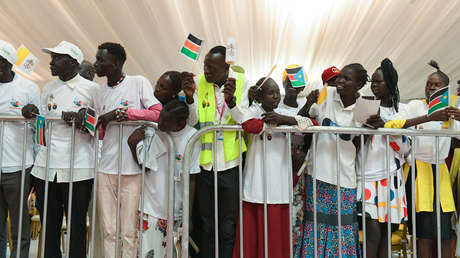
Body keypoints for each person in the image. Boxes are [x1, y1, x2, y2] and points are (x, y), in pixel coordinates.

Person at [21, 41, 99, 257]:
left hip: (78, 168)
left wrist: (82, 119)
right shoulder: (48, 88)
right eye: (52, 57)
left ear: (73, 62)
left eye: (57, 58)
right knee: (49, 227)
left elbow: (100, 127)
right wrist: (32, 114)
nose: (52, 62)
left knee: (76, 228)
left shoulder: (92, 89)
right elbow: (41, 126)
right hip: (46, 168)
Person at [230, 77, 314, 258]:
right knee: (252, 235)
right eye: (271, 92)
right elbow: (243, 120)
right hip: (256, 180)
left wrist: (283, 119)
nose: (276, 96)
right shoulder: (253, 110)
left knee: (276, 236)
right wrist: (268, 123)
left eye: (277, 92)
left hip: (278, 183)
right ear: (260, 95)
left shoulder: (282, 111)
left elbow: (309, 123)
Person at [93, 42, 162, 258]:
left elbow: (158, 112)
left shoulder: (138, 82)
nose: (96, 64)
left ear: (115, 63)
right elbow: (101, 133)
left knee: (128, 232)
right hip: (106, 167)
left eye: (100, 60)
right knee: (109, 230)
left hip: (131, 169)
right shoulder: (99, 92)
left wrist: (124, 113)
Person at [385, 60, 460, 258]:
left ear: (446, 89)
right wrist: (429, 118)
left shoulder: (451, 111)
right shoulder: (416, 105)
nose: (431, 88)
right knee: (424, 235)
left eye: (436, 85)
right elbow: (392, 125)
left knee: (445, 233)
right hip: (418, 172)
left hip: (441, 174)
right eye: (429, 84)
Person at [182, 45, 249, 258]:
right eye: (205, 65)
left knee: (228, 226)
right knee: (207, 224)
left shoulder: (242, 82)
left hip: (230, 163)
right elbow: (194, 122)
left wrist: (231, 102)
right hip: (205, 163)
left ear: (226, 67)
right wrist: (190, 99)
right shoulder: (201, 82)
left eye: (212, 67)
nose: (207, 71)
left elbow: (244, 120)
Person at [295, 63, 368, 258]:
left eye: (347, 78)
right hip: (318, 173)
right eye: (340, 77)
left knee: (342, 227)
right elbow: (305, 119)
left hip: (345, 176)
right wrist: (308, 103)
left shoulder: (365, 106)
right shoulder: (326, 94)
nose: (340, 81)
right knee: (315, 224)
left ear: (359, 84)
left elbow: (359, 143)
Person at [128, 99, 200, 257]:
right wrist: (133, 145)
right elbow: (145, 166)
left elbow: (192, 177)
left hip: (175, 210)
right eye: (160, 117)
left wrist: (189, 216)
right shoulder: (155, 131)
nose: (159, 123)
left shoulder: (192, 136)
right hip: (150, 208)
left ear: (180, 122)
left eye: (165, 120)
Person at [358, 58, 409, 258]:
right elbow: (357, 144)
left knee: (387, 233)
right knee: (372, 232)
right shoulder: (365, 105)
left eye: (379, 81)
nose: (374, 86)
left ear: (390, 83)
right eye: (373, 82)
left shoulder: (401, 111)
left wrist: (385, 127)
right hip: (367, 176)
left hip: (391, 179)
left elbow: (405, 149)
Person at [0, 40, 39, 258]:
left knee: (19, 225)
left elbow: (41, 129)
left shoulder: (28, 88)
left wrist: (33, 115)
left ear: (5, 63)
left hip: (19, 165)